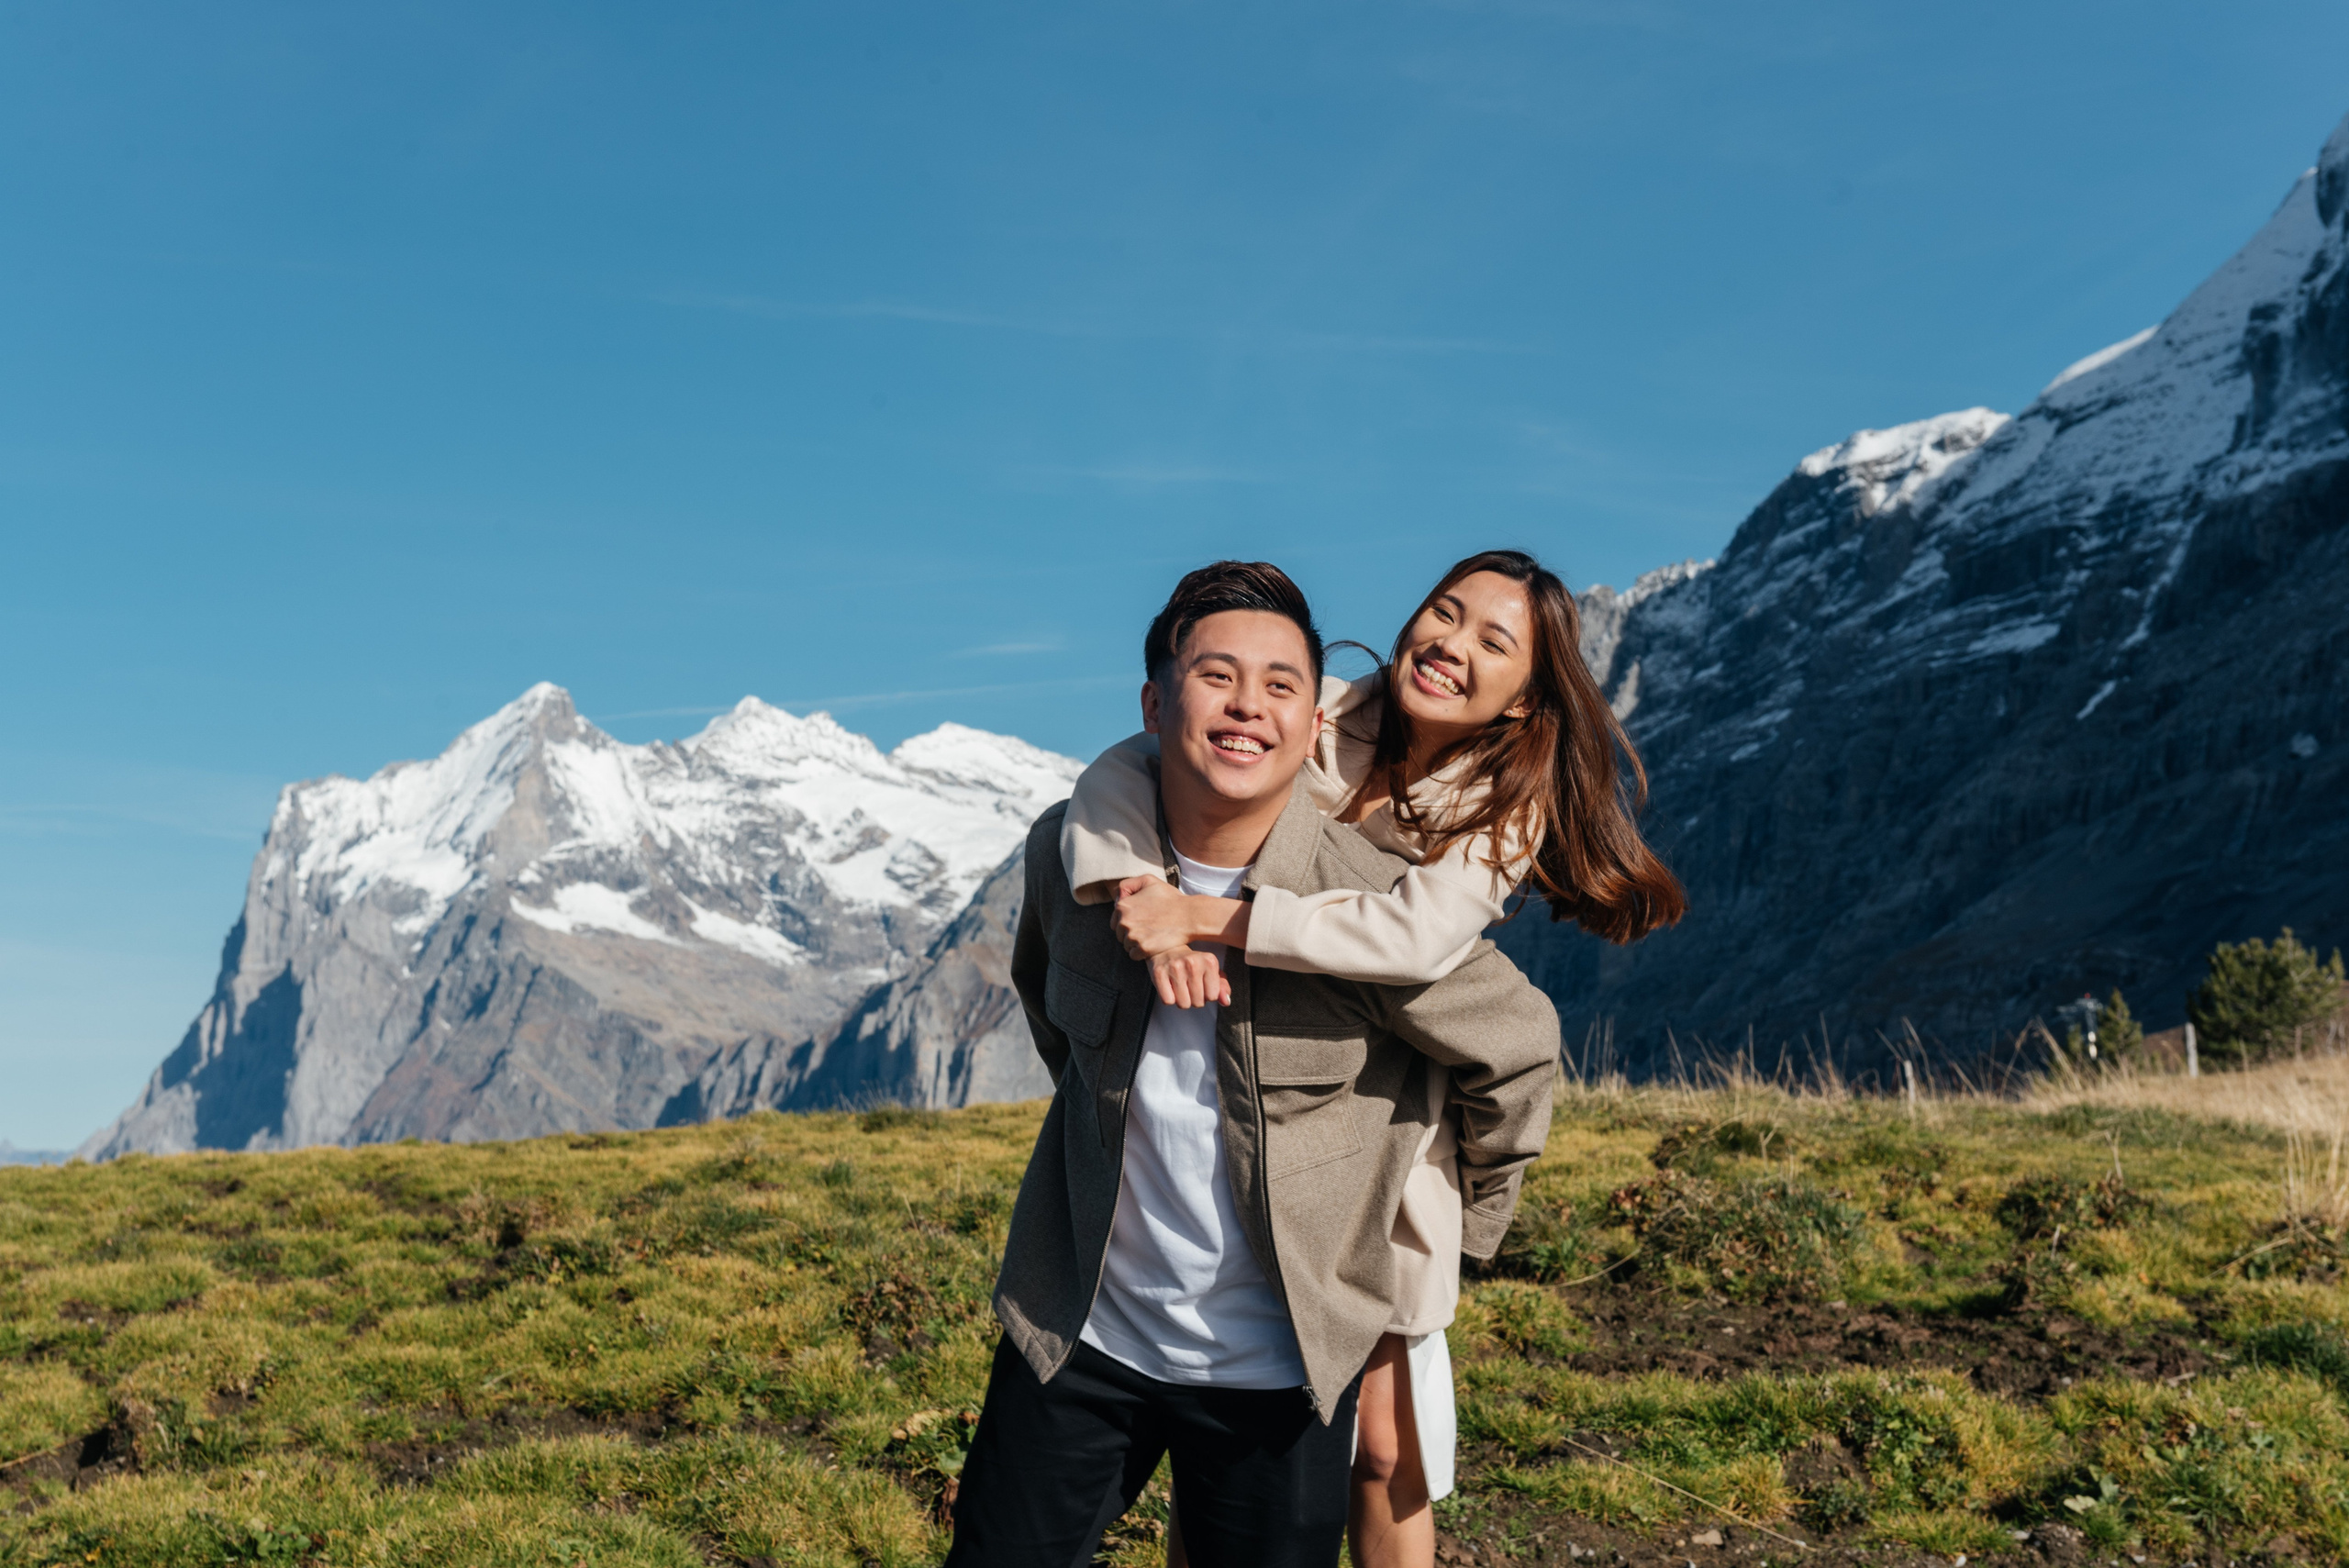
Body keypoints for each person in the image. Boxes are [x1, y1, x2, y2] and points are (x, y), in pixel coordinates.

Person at [1060, 549, 1686, 1568]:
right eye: (1444, 612)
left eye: (1493, 640)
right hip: (1257, 1080)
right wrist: (1137, 891)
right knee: (1242, 1398)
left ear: (1526, 701)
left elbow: (1410, 940)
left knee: (1382, 1439)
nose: (1450, 642)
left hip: (1392, 1124)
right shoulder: (1323, 707)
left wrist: (1208, 917)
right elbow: (1132, 763)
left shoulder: (1506, 799)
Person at [947, 561, 1562, 1568]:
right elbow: (1058, 1003)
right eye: (1216, 676)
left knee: (1387, 1462)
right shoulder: (1081, 852)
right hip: (1081, 1336)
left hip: (1282, 1369)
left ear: (1304, 708)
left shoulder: (1405, 887)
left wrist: (1456, 1230)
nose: (1249, 706)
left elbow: (1513, 1043)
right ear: (1156, 699)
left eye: (1279, 684)